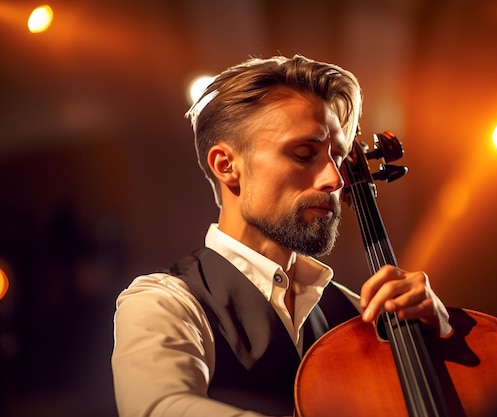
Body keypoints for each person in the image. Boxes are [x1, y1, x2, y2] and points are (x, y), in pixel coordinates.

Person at [111, 54, 452, 417]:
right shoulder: (165, 302)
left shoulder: (359, 314)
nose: (335, 180)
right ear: (227, 166)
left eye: (337, 157)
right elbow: (160, 407)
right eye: (304, 154)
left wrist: (443, 336)